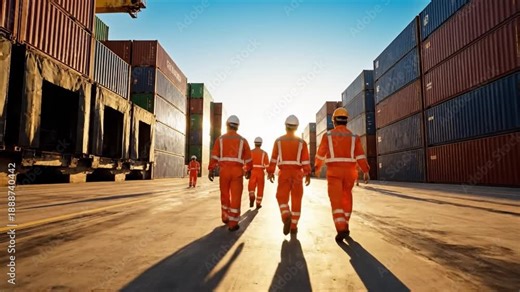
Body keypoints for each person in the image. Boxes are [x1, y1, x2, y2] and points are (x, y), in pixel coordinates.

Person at [314, 107, 370, 242]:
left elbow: (320, 154)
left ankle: (341, 228)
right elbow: (361, 156)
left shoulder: (327, 136)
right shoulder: (354, 137)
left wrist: (317, 168)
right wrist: (366, 171)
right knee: (347, 198)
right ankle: (346, 224)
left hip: (334, 173)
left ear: (334, 121)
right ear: (346, 121)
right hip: (350, 173)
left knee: (336, 201)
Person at [267, 115, 311, 236]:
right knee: (296, 200)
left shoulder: (278, 141)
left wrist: (270, 171)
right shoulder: (302, 143)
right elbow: (306, 161)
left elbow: (273, 159)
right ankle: (293, 227)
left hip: (284, 173)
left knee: (281, 197)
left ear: (285, 126)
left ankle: (286, 216)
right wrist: (307, 173)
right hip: (298, 174)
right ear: (296, 127)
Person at [208, 115, 253, 231]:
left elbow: (214, 156)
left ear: (227, 125)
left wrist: (211, 169)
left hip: (224, 172)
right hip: (237, 172)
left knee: (225, 195)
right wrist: (248, 170)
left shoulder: (220, 139)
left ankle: (225, 216)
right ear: (237, 127)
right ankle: (233, 223)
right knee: (236, 197)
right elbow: (248, 159)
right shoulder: (243, 141)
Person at [248, 137, 269, 209]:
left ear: (254, 144)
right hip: (260, 172)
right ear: (261, 144)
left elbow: (246, 163)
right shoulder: (264, 153)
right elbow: (267, 165)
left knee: (251, 186)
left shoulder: (250, 152)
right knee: (260, 188)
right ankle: (258, 203)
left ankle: (251, 195)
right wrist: (270, 173)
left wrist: (246, 171)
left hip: (252, 171)